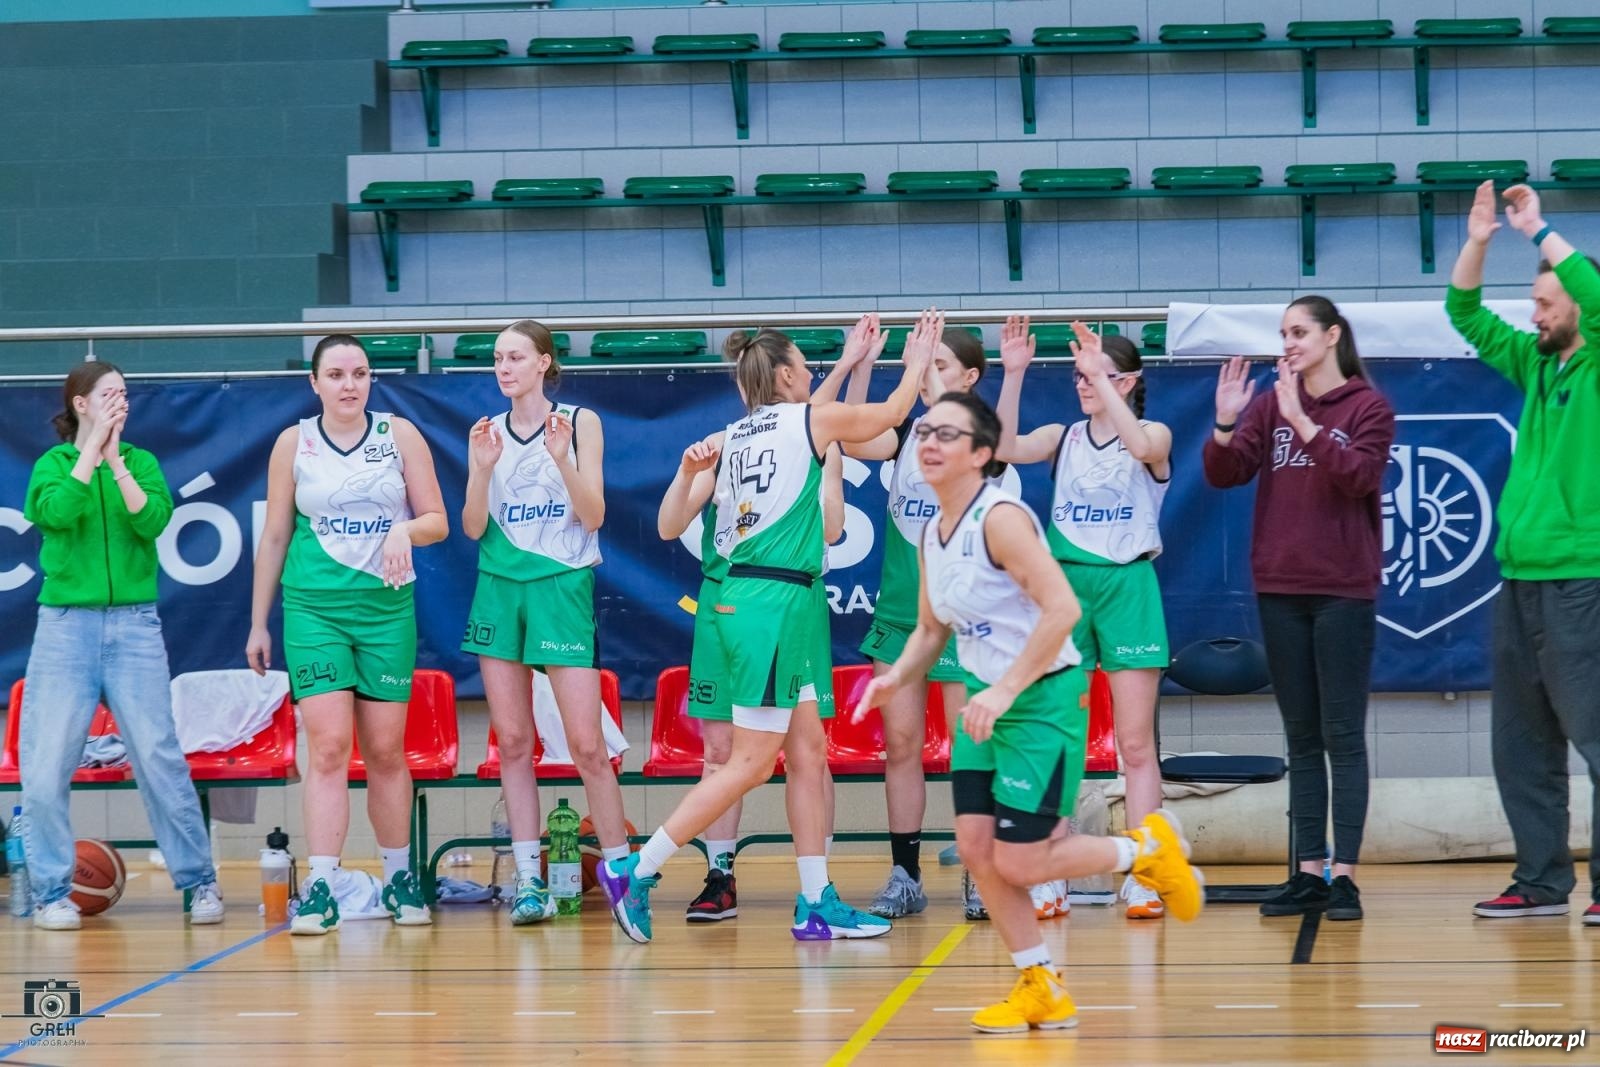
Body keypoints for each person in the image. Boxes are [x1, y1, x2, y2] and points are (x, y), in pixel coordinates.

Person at [855, 390, 1202, 1034]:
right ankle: (1039, 984)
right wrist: (898, 676)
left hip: (1039, 703)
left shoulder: (1002, 518)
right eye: (925, 430)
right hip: (990, 709)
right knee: (977, 850)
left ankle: (1144, 848)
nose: (928, 442)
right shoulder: (932, 528)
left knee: (1020, 861)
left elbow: (1063, 611)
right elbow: (933, 628)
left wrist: (1005, 689)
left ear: (983, 454)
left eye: (948, 435)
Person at [599, 312, 940, 944]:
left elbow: (670, 524)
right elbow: (894, 414)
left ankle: (816, 901)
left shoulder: (731, 435)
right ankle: (635, 868)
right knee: (751, 765)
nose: (812, 376)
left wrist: (683, 472)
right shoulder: (808, 419)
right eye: (806, 368)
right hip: (769, 604)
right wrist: (916, 357)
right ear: (785, 376)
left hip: (783, 602)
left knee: (808, 753)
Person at [247, 334, 448, 935]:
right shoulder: (294, 443)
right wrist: (259, 622)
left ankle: (398, 877)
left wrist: (403, 531)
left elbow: (438, 521)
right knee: (329, 748)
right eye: (335, 374)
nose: (349, 384)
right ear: (315, 383)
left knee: (386, 751)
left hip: (386, 611)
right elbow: (276, 536)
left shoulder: (399, 435)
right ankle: (322, 887)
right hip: (314, 610)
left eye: (359, 373)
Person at [1203, 297, 1394, 922]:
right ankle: (1308, 871)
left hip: (1343, 587)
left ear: (1332, 336)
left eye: (1299, 332)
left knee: (1343, 736)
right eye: (1282, 333)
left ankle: (1347, 876)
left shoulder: (1367, 406)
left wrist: (1303, 423)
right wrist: (1227, 424)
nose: (1287, 343)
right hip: (1280, 586)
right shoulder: (1269, 403)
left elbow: (1359, 477)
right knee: (1302, 737)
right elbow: (1225, 474)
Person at [19, 362, 224, 931]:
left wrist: (115, 460)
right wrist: (90, 456)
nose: (121, 403)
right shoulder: (52, 466)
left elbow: (153, 521)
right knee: (44, 766)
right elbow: (56, 513)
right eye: (109, 395)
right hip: (65, 628)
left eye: (126, 395)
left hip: (134, 626)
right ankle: (51, 892)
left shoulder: (143, 464)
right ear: (81, 405)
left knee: (158, 757)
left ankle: (198, 882)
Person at [1446, 182, 1600, 926]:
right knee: (1521, 742)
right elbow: (1464, 313)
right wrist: (1479, 238)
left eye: (1545, 303)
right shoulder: (1537, 363)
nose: (1533, 314)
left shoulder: (1598, 353)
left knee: (1597, 736)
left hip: (1584, 577)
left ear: (1574, 305)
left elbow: (1593, 293)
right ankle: (1540, 880)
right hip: (1520, 579)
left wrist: (1536, 228)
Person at [811, 314, 990, 920]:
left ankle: (979, 870)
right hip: (900, 611)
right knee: (903, 745)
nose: (923, 377)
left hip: (964, 614)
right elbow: (852, 436)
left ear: (970, 376)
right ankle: (905, 873)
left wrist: (925, 382)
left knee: (970, 746)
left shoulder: (986, 436)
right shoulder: (907, 432)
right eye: (921, 364)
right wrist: (862, 367)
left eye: (938, 366)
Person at [995, 318, 1172, 921]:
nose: (1084, 384)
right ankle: (1052, 870)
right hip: (1066, 586)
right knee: (1058, 738)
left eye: (1098, 375)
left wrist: (1107, 381)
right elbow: (1001, 447)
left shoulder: (1152, 432)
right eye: (1078, 375)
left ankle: (1145, 872)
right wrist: (1014, 374)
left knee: (1135, 743)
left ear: (1130, 381)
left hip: (1128, 585)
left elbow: (1146, 451)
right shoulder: (1063, 435)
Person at [458, 320, 632, 926]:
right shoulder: (485, 433)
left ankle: (620, 873)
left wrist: (560, 460)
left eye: (515, 357)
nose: (503, 367)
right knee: (511, 741)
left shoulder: (579, 422)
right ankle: (529, 881)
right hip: (499, 589)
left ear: (543, 363)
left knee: (586, 745)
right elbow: (473, 527)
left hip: (561, 586)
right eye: (498, 358)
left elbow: (595, 515)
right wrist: (480, 470)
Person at [658, 417, 847, 924]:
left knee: (809, 751)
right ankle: (719, 875)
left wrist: (829, 473)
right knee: (721, 750)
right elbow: (669, 525)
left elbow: (832, 529)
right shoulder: (726, 443)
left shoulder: (819, 441)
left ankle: (818, 885)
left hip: (794, 601)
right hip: (728, 599)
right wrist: (686, 475)